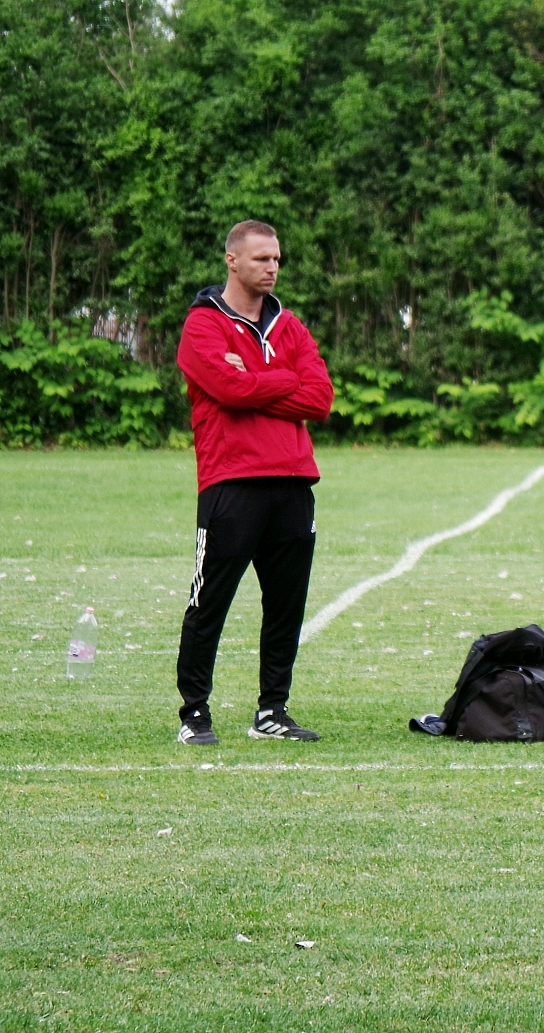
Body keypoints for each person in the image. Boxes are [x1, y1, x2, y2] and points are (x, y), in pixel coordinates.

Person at [172, 220, 333, 745]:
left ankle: (272, 711)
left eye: (277, 259)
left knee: (286, 605)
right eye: (262, 258)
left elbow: (320, 398)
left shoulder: (291, 325)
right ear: (233, 261)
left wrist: (255, 379)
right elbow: (228, 389)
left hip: (293, 483)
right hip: (232, 482)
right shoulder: (203, 324)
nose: (272, 267)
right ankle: (194, 713)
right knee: (209, 602)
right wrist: (283, 380)